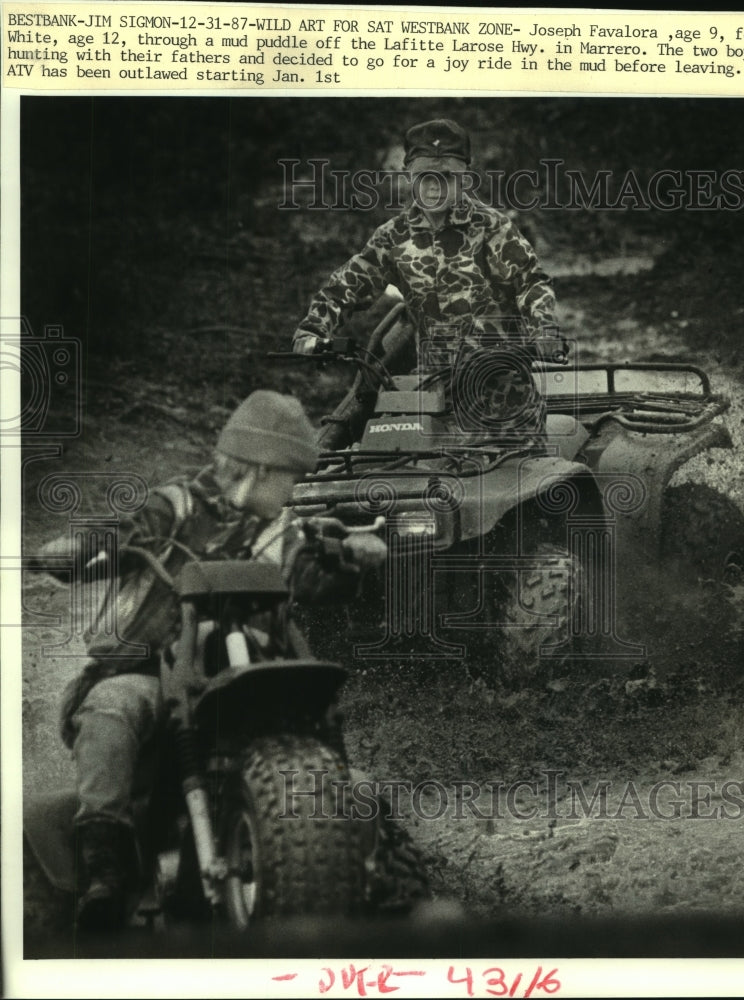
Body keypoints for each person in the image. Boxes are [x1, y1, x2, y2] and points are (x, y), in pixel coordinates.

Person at [38, 390, 384, 930]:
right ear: (260, 469)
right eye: (289, 477)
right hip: (148, 666)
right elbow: (119, 535)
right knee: (116, 705)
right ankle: (103, 868)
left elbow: (309, 574)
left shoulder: (279, 531)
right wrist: (77, 549)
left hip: (236, 674)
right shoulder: (174, 505)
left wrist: (352, 561)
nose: (293, 490)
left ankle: (366, 862)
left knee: (327, 747)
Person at [292, 118, 563, 367]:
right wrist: (314, 330)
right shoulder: (393, 237)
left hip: (500, 391)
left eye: (446, 176)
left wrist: (545, 330)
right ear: (410, 176)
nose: (434, 187)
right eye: (424, 176)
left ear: (464, 178)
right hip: (432, 392)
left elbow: (531, 282)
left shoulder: (493, 228)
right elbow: (347, 286)